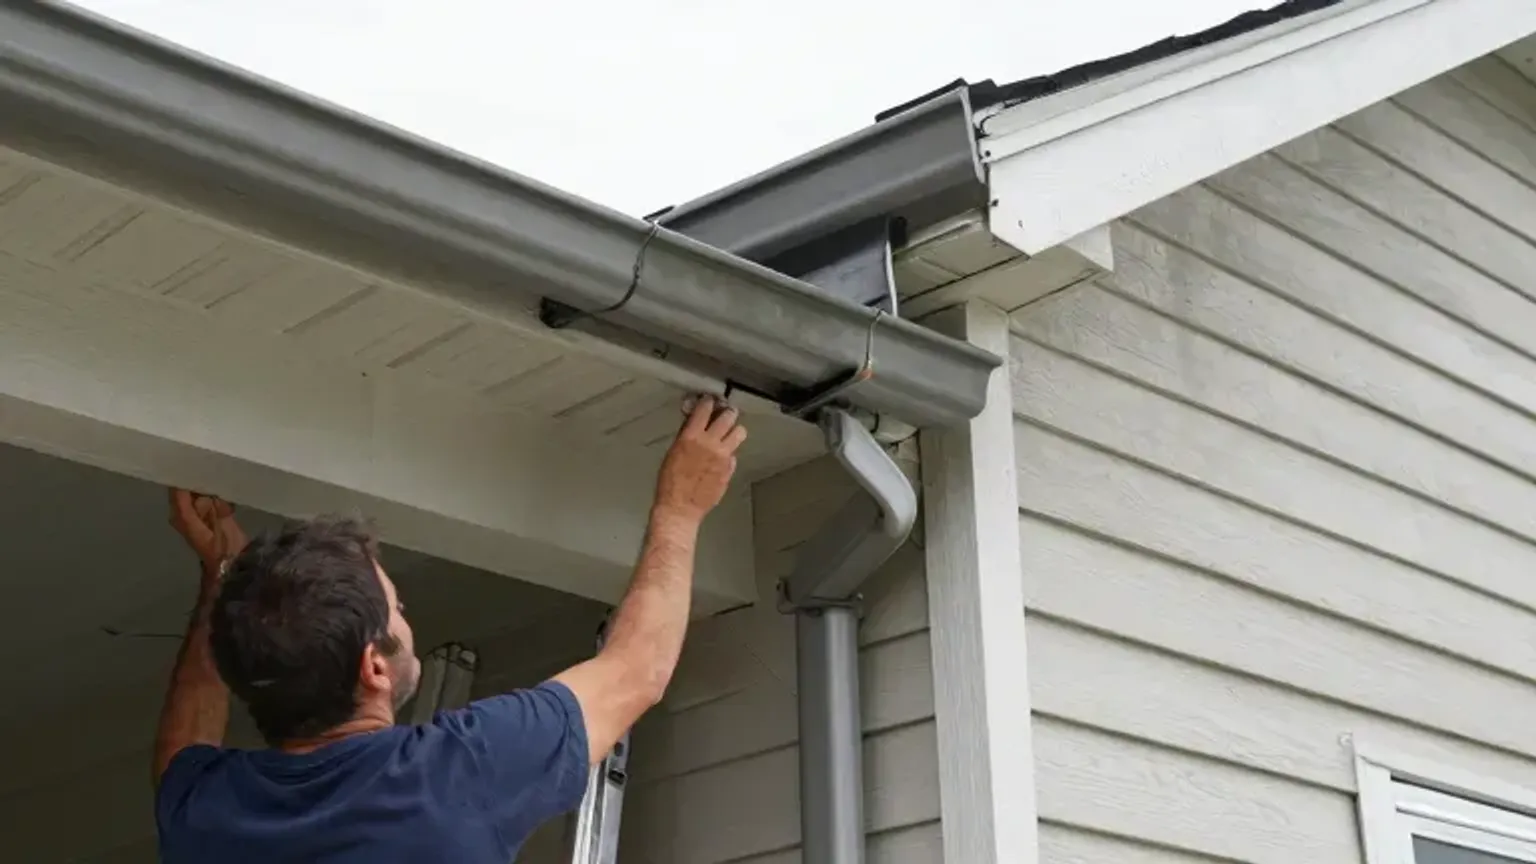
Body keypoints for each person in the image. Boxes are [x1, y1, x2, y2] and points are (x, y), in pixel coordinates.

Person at [152, 395, 748, 862]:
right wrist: (680, 507)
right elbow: (636, 669)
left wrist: (223, 575)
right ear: (374, 666)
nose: (407, 615)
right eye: (398, 610)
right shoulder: (449, 775)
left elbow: (186, 739)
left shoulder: (211, 812)